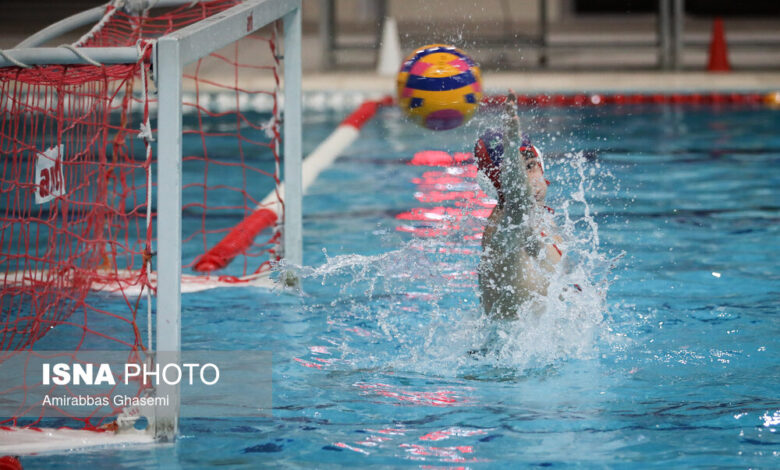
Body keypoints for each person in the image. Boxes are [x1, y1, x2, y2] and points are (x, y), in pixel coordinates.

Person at [475, 91, 563, 318]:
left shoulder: (544, 220)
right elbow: (517, 202)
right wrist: (512, 143)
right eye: (514, 172)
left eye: (531, 166)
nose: (528, 180)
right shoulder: (504, 229)